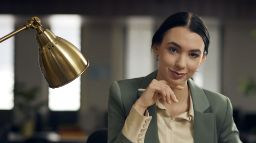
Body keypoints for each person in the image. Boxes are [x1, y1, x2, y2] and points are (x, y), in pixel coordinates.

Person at [108, 11, 242, 143]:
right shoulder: (122, 94)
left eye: (193, 55)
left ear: (202, 59)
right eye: (173, 50)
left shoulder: (220, 106)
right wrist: (141, 106)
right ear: (156, 48)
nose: (181, 64)